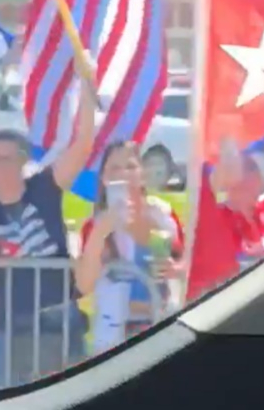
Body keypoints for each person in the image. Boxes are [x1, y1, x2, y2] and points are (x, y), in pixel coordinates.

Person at [0, 85, 97, 388]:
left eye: (6, 159)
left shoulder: (43, 188)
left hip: (58, 319)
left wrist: (86, 92)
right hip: (9, 324)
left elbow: (82, 145)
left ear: (22, 161)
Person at [75, 141, 184, 353]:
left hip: (159, 328)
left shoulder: (163, 214)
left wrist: (175, 268)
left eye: (131, 166)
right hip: (113, 335)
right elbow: (84, 285)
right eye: (115, 168)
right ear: (104, 179)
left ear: (142, 174)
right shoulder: (94, 225)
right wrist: (102, 231)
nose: (124, 174)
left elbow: (184, 261)